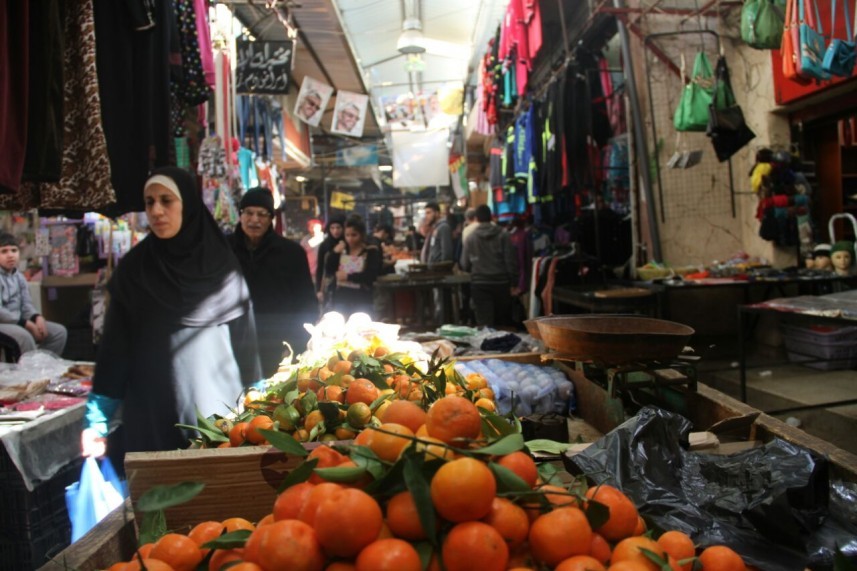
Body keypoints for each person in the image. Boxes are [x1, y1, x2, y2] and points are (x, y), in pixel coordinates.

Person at [81, 167, 261, 464]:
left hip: (218, 417)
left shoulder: (221, 267)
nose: (156, 210)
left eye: (166, 200)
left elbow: (247, 345)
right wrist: (97, 419)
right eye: (149, 202)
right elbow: (115, 349)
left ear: (187, 204)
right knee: (159, 504)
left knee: (219, 504)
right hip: (150, 416)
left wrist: (258, 404)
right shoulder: (134, 269)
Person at [228, 188, 318, 376]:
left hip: (278, 345)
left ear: (271, 219)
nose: (255, 220)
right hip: (233, 343)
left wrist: (299, 343)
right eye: (249, 213)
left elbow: (306, 302)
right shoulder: (223, 250)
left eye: (262, 214)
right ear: (240, 215)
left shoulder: (291, 253)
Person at [0, 233, 67, 357]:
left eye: (14, 250)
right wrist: (25, 323)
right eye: (4, 251)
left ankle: (45, 369)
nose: (10, 255)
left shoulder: (19, 277)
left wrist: (37, 317)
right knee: (24, 337)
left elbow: (26, 304)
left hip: (19, 321)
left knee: (58, 332)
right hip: (3, 323)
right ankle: (30, 374)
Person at [459, 205, 519, 327]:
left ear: (476, 218)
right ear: (491, 216)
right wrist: (514, 282)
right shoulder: (503, 235)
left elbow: (464, 264)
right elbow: (510, 261)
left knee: (484, 325)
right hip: (501, 283)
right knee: (502, 323)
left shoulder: (471, 238)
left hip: (480, 284)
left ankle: (487, 345)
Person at [324, 216, 382, 317]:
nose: (350, 239)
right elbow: (329, 270)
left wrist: (348, 277)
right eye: (347, 235)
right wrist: (334, 253)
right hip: (341, 299)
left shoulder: (370, 251)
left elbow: (371, 276)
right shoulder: (341, 250)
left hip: (362, 300)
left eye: (354, 235)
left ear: (362, 234)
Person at [316, 215, 346, 307]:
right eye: (332, 228)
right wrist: (318, 290)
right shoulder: (325, 245)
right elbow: (320, 268)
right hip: (329, 285)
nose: (335, 231)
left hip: (345, 283)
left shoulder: (347, 243)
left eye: (338, 228)